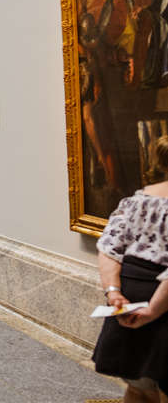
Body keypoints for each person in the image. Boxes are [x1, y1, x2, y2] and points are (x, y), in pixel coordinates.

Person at [92, 135, 168, 401]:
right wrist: (154, 309)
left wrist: (114, 294)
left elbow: (109, 249)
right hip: (161, 304)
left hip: (131, 295)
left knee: (139, 387)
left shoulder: (136, 200)